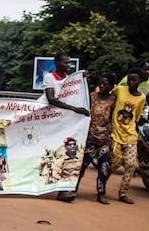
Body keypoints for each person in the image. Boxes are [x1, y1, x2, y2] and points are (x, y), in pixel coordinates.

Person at [42, 52, 90, 202]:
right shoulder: (49, 78)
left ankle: (64, 189)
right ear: (56, 63)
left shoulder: (72, 80)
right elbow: (51, 99)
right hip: (51, 123)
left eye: (69, 63)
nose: (68, 65)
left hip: (67, 124)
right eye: (65, 63)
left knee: (68, 153)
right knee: (52, 154)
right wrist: (73, 109)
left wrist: (82, 80)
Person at [76, 73, 117, 204]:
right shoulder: (92, 96)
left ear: (111, 86)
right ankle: (73, 188)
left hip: (104, 139)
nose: (102, 86)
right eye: (100, 83)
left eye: (105, 84)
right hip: (90, 138)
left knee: (103, 167)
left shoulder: (113, 100)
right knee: (83, 165)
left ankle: (100, 193)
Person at [108, 68, 146, 204]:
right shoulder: (119, 90)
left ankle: (123, 192)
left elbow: (136, 116)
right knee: (115, 163)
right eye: (129, 79)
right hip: (115, 133)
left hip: (130, 134)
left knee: (131, 164)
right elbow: (109, 100)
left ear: (140, 81)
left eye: (134, 80)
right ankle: (101, 185)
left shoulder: (142, 97)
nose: (131, 82)